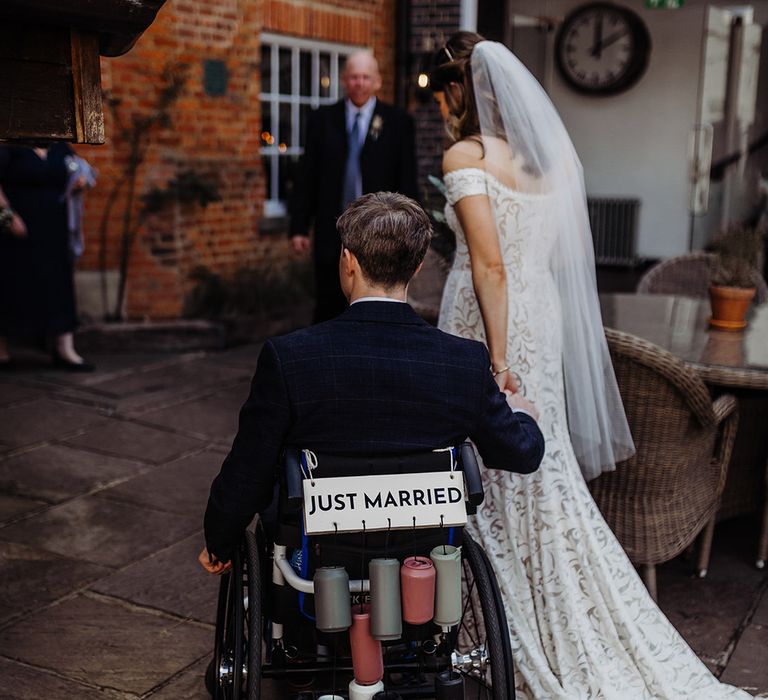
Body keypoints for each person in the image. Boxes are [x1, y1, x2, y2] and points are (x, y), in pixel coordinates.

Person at [431, 32, 751, 699]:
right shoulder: (553, 163)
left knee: (480, 448)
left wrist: (493, 355)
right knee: (533, 457)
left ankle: (487, 609)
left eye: (444, 92)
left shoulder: (466, 153)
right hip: (538, 316)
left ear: (463, 93)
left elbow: (489, 263)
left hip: (488, 319)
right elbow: (542, 258)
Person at [200, 191, 544, 571]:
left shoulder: (291, 358)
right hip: (421, 557)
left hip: (315, 556)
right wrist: (521, 413)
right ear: (416, 268)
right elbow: (520, 453)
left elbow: (248, 470)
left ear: (347, 260)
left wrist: (220, 541)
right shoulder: (463, 361)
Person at [289, 51, 418, 323]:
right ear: (344, 80)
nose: (359, 83)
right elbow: (307, 174)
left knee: (376, 301)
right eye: (353, 77)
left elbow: (407, 179)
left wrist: (412, 230)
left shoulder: (398, 122)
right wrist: (299, 226)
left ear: (377, 82)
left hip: (381, 230)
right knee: (327, 303)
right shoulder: (322, 119)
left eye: (365, 77)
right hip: (331, 227)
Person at [0, 143, 94, 370]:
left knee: (58, 282)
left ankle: (64, 349)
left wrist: (80, 181)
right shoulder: (9, 145)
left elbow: (78, 171)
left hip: (54, 227)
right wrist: (7, 216)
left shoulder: (60, 147)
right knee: (11, 283)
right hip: (16, 227)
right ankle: (1, 351)